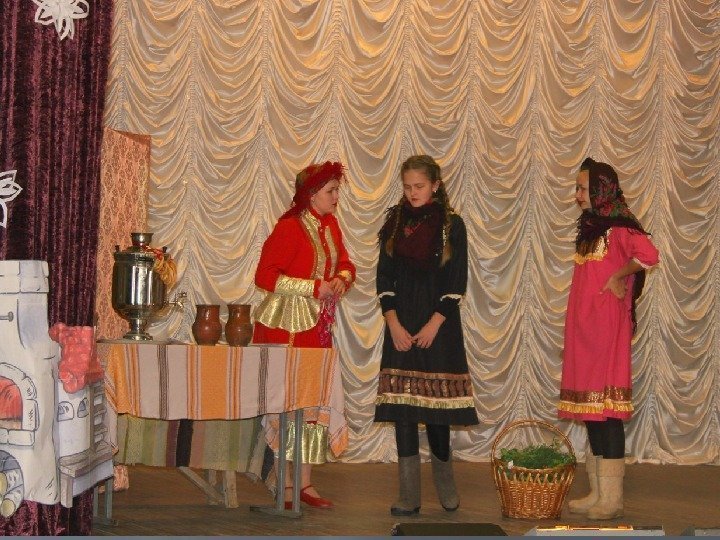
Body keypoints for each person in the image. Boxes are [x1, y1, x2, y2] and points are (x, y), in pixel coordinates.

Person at [374, 155, 478, 516]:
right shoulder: (394, 223)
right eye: (407, 187)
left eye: (419, 186)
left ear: (435, 185)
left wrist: (435, 323)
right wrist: (393, 323)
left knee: (437, 411)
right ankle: (408, 495)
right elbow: (384, 278)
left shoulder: (452, 225)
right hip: (401, 325)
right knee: (403, 410)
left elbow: (456, 280)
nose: (412, 192)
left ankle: (446, 488)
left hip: (439, 327)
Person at [558, 157, 659, 520]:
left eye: (583, 188)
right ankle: (598, 491)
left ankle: (612, 498)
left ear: (602, 190)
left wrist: (618, 276)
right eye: (576, 188)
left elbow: (649, 256)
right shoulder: (590, 230)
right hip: (583, 332)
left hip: (605, 333)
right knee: (591, 413)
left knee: (607, 413)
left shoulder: (619, 227)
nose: (577, 195)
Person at [253, 161, 355, 509]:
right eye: (331, 191)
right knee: (287, 404)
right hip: (286, 330)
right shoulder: (289, 227)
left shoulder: (330, 225)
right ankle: (282, 482)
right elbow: (264, 276)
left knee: (313, 404)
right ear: (312, 194)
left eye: (337, 190)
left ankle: (305, 483)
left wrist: (341, 279)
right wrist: (312, 287)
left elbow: (346, 263)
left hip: (317, 328)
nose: (336, 197)